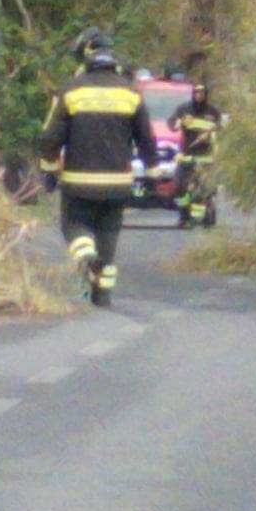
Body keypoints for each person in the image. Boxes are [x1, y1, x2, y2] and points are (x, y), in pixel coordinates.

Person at [37, 28, 156, 307]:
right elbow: (148, 141)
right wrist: (150, 176)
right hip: (117, 184)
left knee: (74, 225)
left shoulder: (71, 91)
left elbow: (49, 138)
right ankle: (102, 293)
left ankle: (88, 259)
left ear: (86, 56)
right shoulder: (131, 92)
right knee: (109, 235)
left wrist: (50, 170)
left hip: (79, 183)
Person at [172, 80, 224, 229]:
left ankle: (198, 217)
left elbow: (221, 127)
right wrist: (176, 124)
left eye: (202, 93)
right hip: (186, 156)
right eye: (196, 93)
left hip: (206, 158)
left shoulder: (213, 112)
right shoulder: (183, 109)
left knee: (204, 190)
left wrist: (211, 133)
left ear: (206, 95)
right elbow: (172, 122)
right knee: (179, 187)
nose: (199, 96)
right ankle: (184, 215)